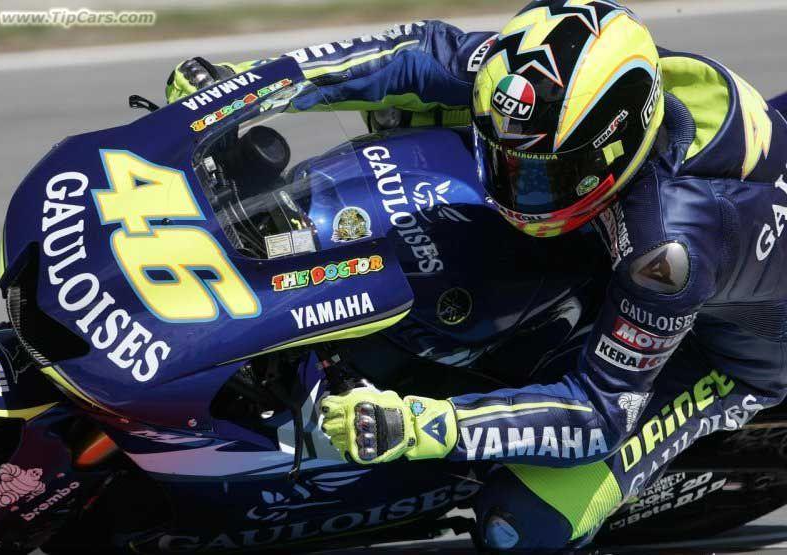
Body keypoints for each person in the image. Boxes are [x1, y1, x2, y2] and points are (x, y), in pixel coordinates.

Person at [166, 1, 787, 550]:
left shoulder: (666, 252)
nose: (515, 187)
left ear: (613, 148)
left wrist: (415, 426)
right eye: (507, 162)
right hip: (646, 234)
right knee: (417, 113)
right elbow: (418, 56)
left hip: (725, 349)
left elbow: (600, 414)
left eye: (542, 174)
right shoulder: (560, 76)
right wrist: (242, 88)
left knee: (520, 526)